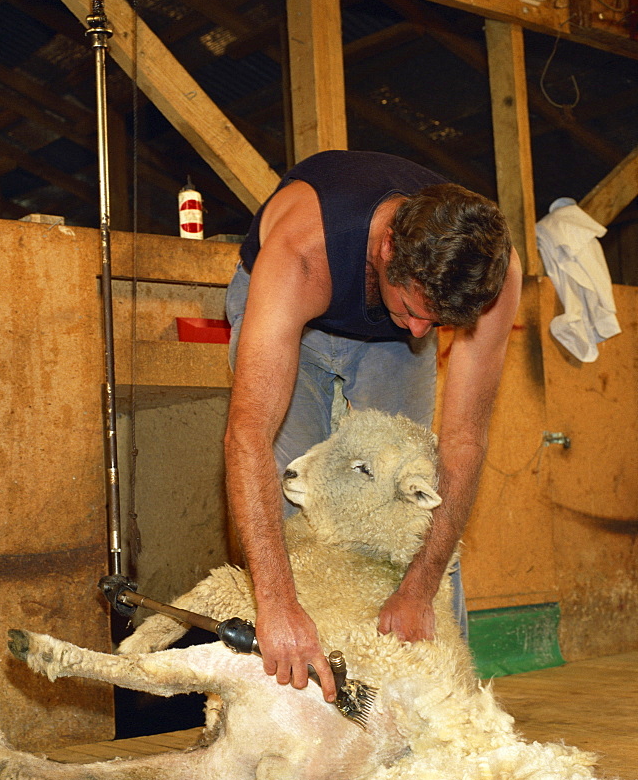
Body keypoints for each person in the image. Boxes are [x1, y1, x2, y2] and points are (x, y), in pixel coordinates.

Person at [223, 150, 522, 704]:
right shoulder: (301, 252)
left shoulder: (493, 277)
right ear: (388, 248)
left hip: (382, 331)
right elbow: (248, 437)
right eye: (414, 307)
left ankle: (439, 691)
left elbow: (462, 442)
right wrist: (276, 601)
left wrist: (420, 588)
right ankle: (287, 690)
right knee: (292, 496)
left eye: (437, 323)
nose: (420, 331)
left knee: (409, 492)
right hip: (294, 310)